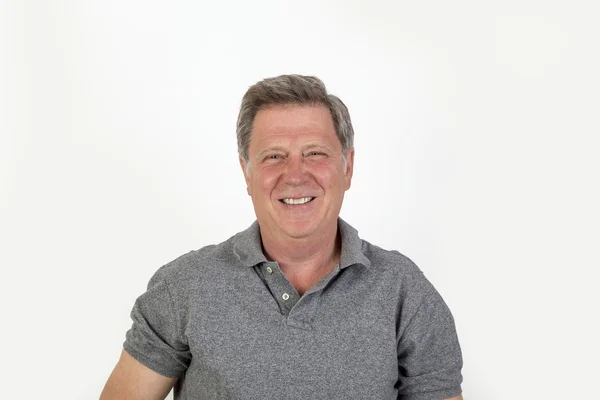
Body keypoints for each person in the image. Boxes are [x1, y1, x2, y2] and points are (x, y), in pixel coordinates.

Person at [100, 74, 464, 400]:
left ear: (347, 167)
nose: (295, 174)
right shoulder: (184, 287)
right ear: (246, 172)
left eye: (315, 153)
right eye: (274, 156)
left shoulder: (404, 291)